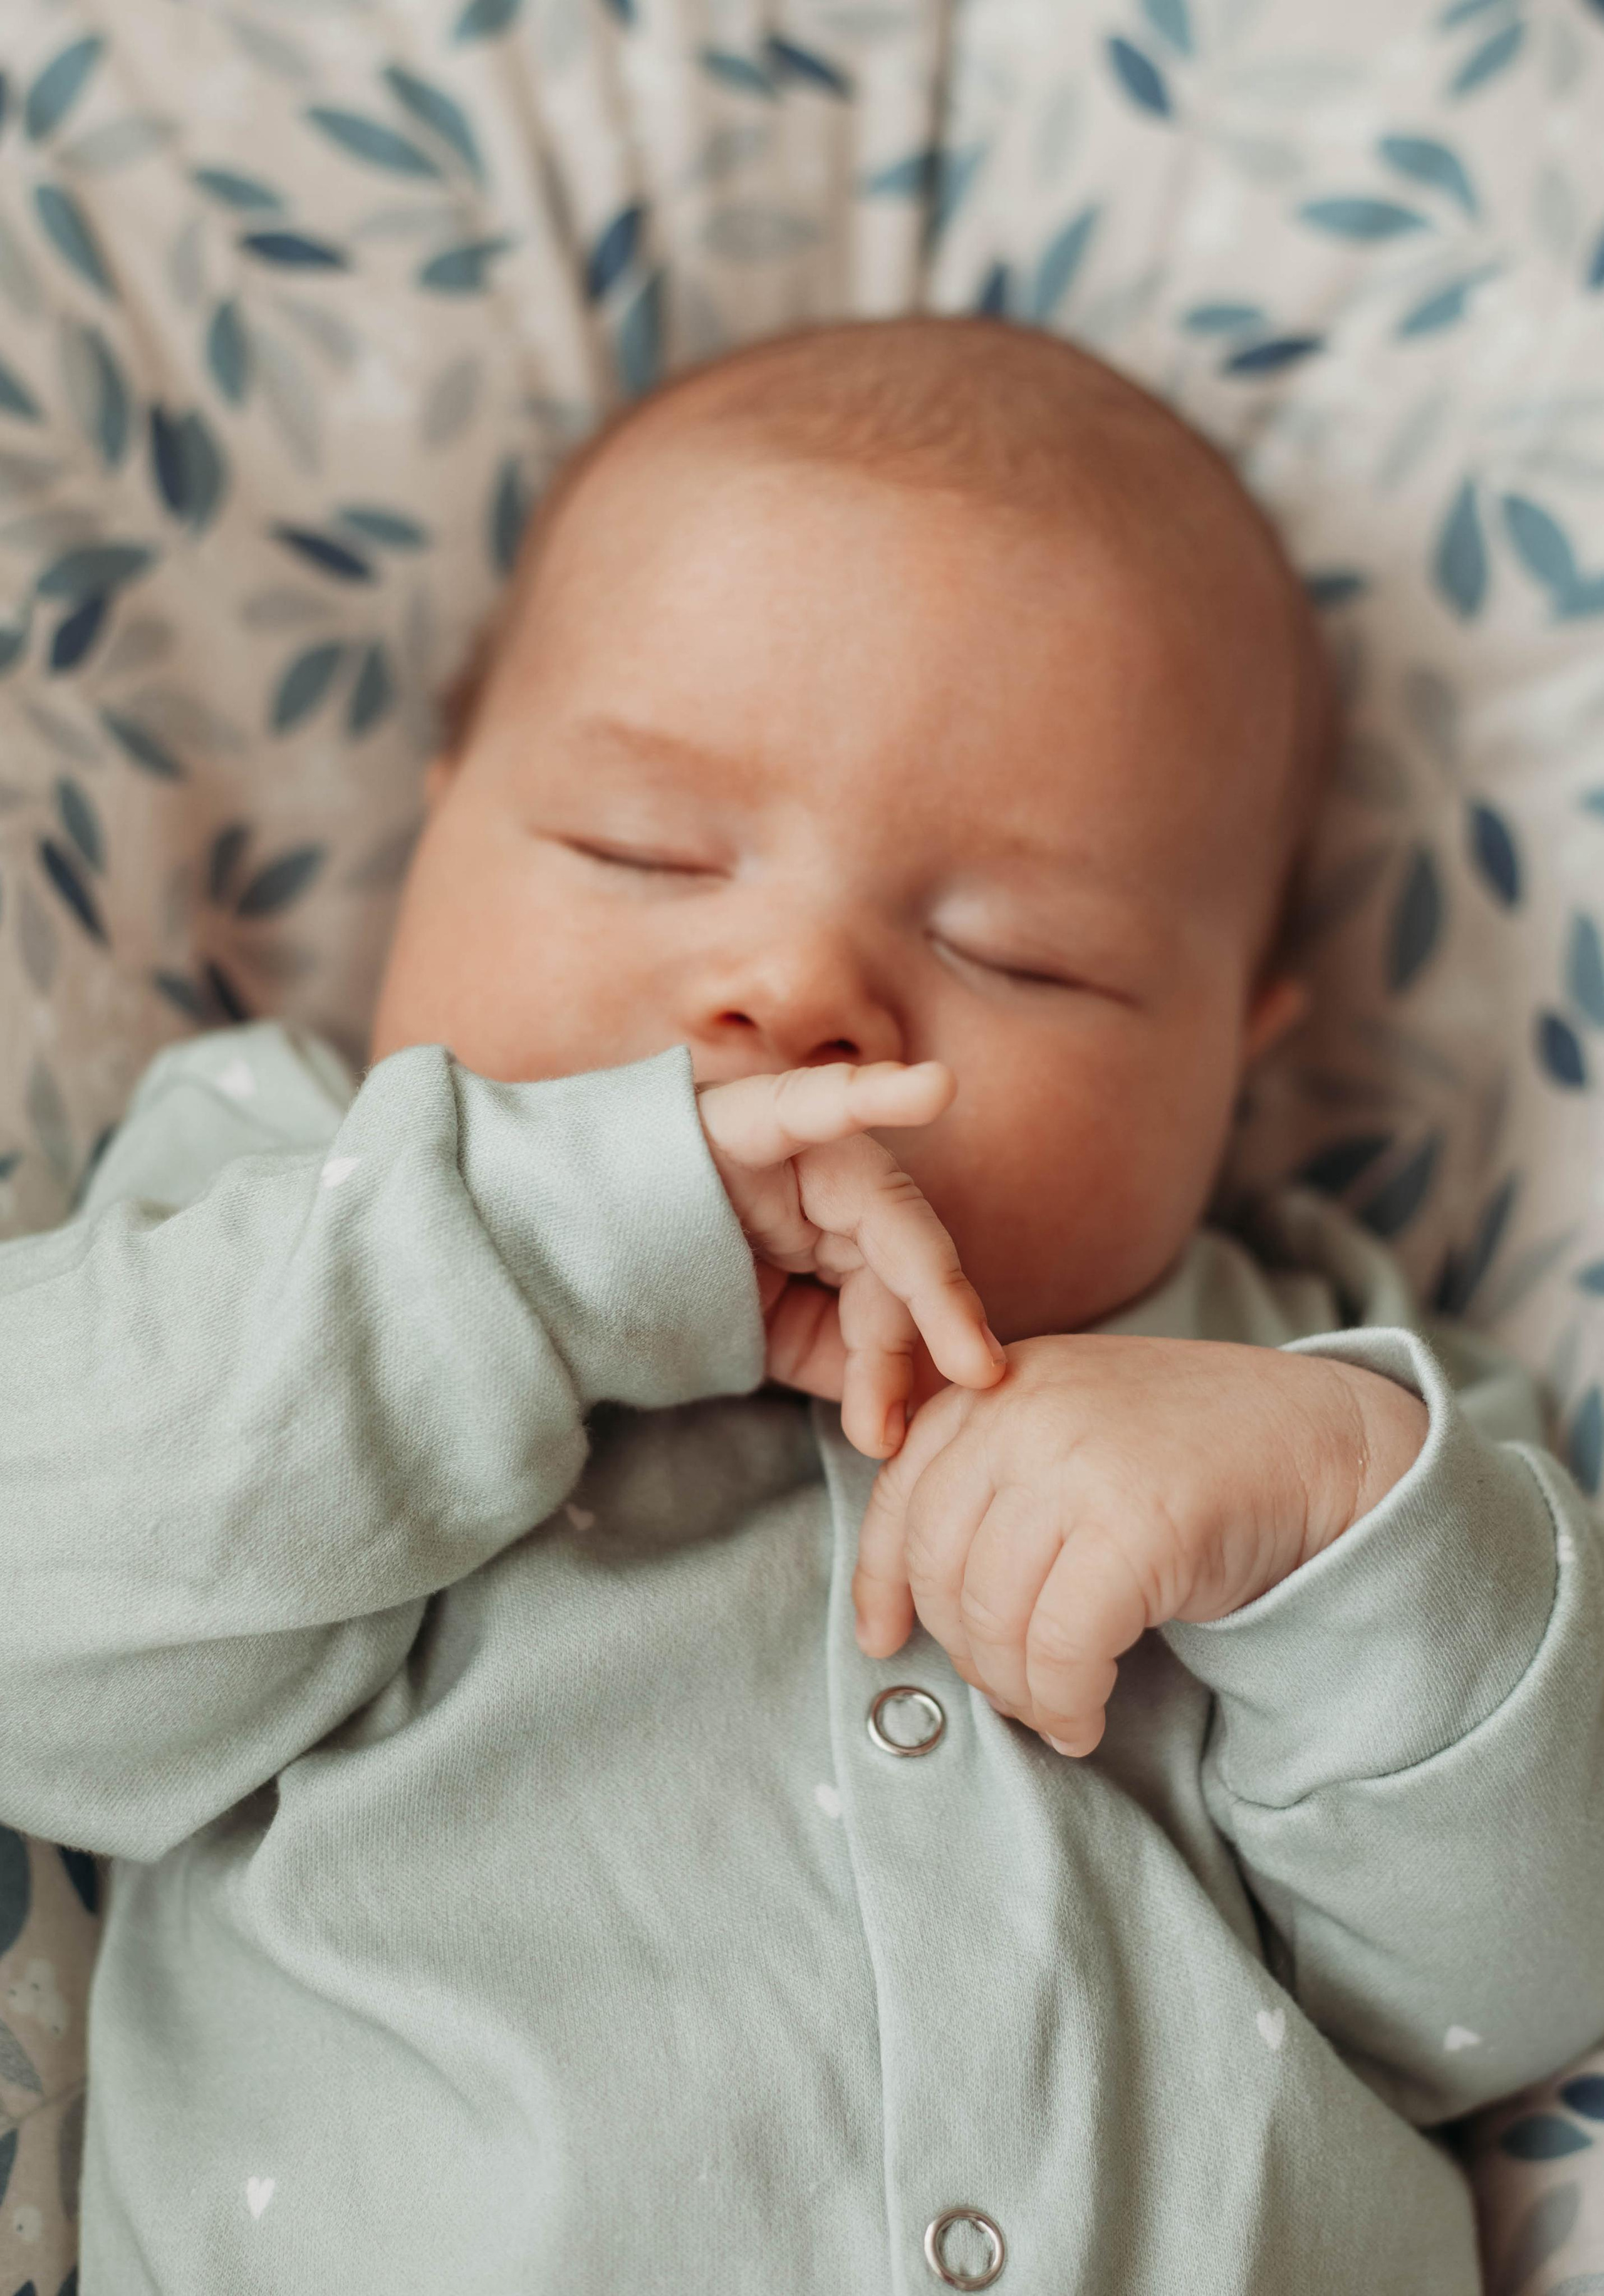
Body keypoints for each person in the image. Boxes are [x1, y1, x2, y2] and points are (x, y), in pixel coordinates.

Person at [2, 318, 1598, 2293]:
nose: (792, 991)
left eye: (1020, 953)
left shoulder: (1296, 1389)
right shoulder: (286, 1204)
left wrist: (1346, 1529)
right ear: (441, 810)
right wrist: (551, 1237)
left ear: (1234, 1047)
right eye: (640, 850)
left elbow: (1524, 1989)